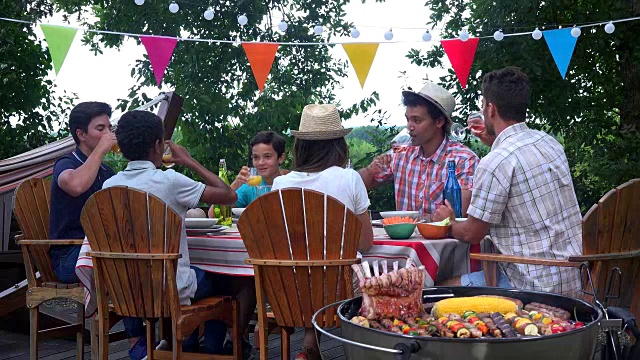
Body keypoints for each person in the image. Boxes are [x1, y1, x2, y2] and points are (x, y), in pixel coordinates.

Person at [106, 110, 254, 359]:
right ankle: (217, 350)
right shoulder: (170, 181)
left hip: (126, 288)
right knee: (234, 279)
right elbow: (229, 195)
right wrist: (188, 161)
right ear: (158, 145)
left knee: (204, 276)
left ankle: (190, 345)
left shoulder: (108, 187)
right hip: (171, 288)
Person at [433, 67, 583, 298]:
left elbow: (472, 234)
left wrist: (449, 223)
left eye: (484, 105)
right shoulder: (549, 143)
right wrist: (494, 143)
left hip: (530, 285)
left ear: (491, 108)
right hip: (575, 277)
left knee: (436, 290)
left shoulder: (496, 162)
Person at [272, 104, 374, 360]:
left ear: (300, 146)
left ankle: (309, 348)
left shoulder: (280, 184)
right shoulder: (349, 178)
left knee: (311, 272)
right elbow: (365, 244)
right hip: (339, 289)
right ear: (339, 145)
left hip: (288, 289)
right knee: (369, 275)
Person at [358, 82, 479, 220]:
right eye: (408, 119)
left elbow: (458, 213)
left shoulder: (463, 159)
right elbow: (357, 185)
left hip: (445, 241)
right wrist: (370, 170)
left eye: (417, 120)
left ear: (439, 122)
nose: (410, 126)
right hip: (404, 239)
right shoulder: (401, 153)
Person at [49, 102, 117, 283]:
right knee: (127, 265)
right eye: (101, 128)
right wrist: (101, 150)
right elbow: (75, 186)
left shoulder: (105, 170)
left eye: (109, 128)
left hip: (98, 249)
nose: (108, 134)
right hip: (70, 256)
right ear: (81, 134)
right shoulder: (66, 163)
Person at [208, 131, 286, 217]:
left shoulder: (290, 184)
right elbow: (213, 214)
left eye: (267, 156)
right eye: (256, 157)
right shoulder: (251, 187)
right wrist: (235, 185)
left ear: (281, 158)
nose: (260, 162)